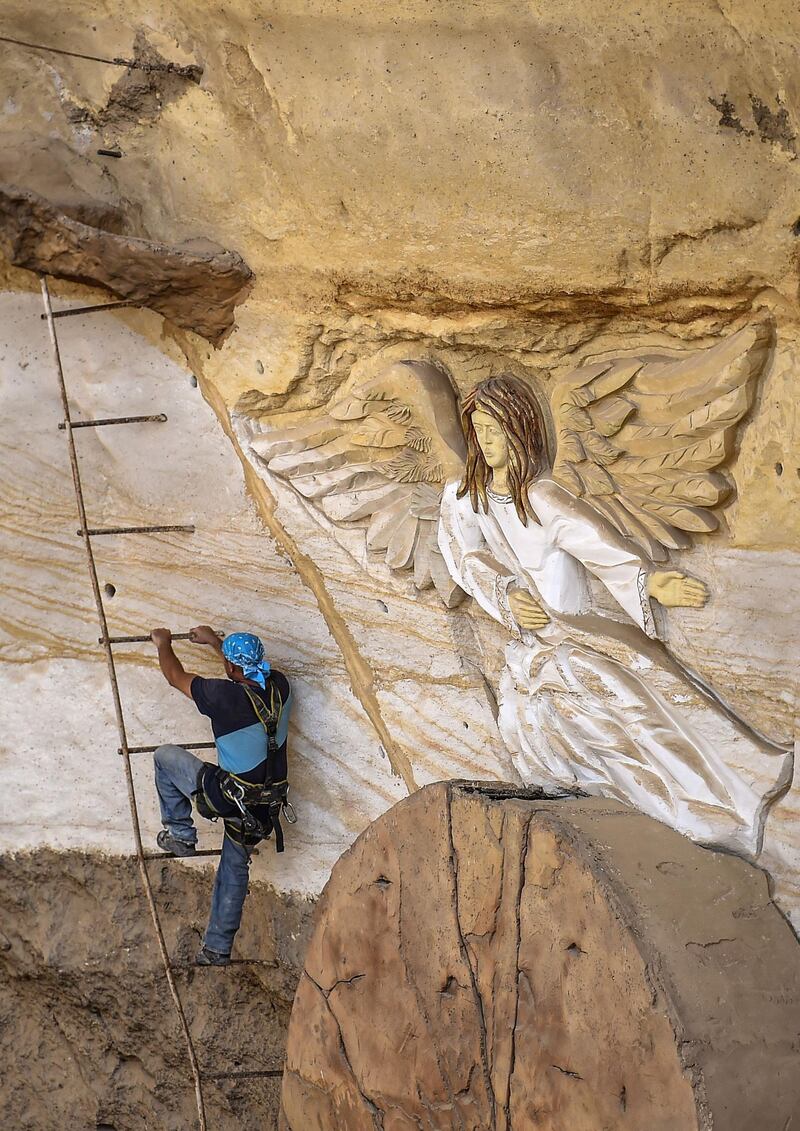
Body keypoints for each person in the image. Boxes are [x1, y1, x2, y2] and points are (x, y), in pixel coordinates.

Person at [437, 375, 791, 857]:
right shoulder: (463, 499)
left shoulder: (544, 499)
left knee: (635, 717)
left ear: (522, 432)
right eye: (480, 429)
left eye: (497, 429)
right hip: (529, 653)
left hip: (574, 638)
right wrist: (504, 594)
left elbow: (598, 546)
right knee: (549, 733)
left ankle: (697, 820)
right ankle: (608, 827)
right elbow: (463, 556)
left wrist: (647, 581)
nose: (488, 441)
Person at [149, 625, 292, 966]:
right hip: (264, 806)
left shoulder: (222, 697)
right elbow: (245, 676)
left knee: (165, 757)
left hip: (228, 797)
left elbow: (175, 676)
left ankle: (181, 835)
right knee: (234, 866)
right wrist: (217, 643)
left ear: (230, 668)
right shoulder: (281, 688)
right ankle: (216, 949)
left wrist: (163, 644)